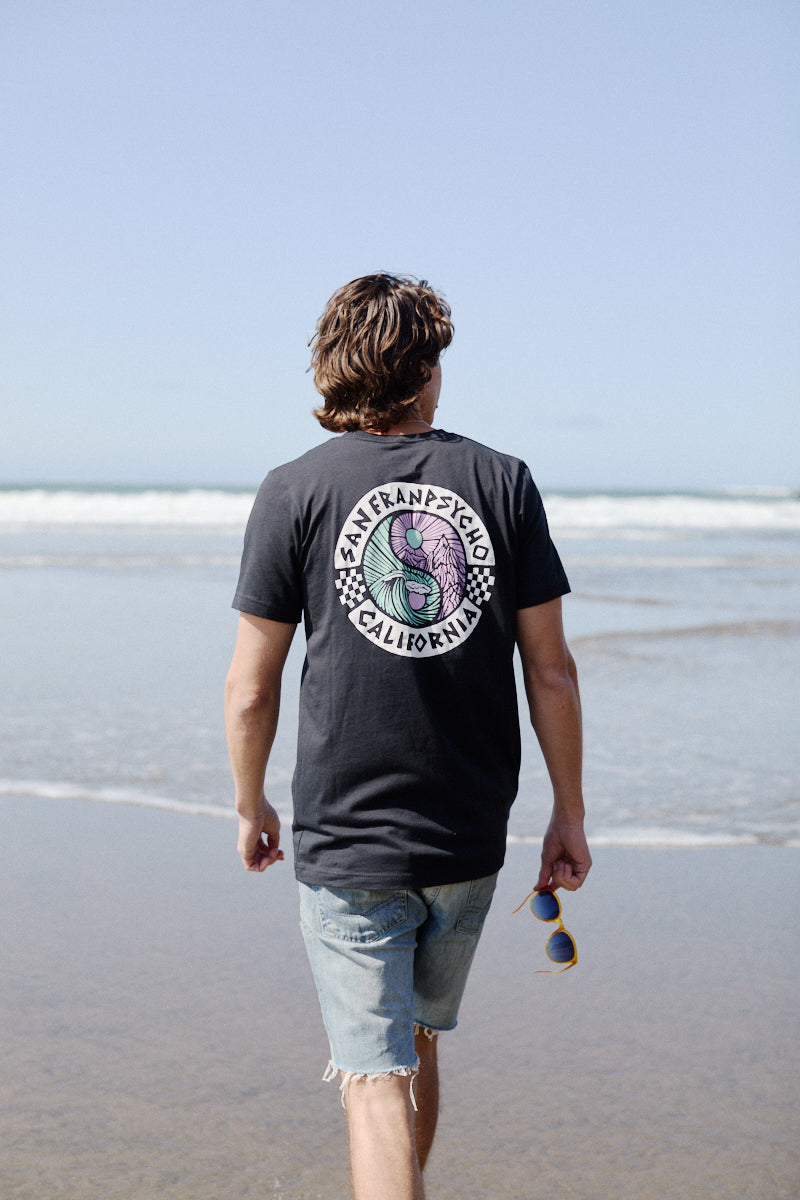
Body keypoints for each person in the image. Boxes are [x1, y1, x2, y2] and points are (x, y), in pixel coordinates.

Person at [225, 273, 590, 1200]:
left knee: (373, 1077)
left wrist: (250, 802)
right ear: (425, 369)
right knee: (414, 1042)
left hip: (349, 839)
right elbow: (550, 669)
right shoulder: (502, 481)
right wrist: (568, 813)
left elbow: (249, 687)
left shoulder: (293, 490)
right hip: (468, 836)